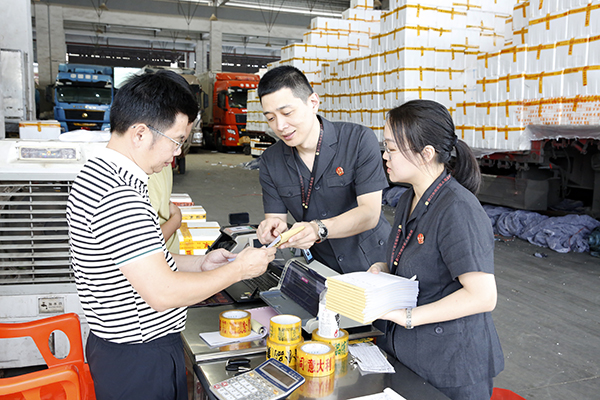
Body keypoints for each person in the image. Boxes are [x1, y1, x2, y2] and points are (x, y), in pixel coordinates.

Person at [66, 70, 276, 400]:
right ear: (140, 134)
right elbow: (162, 292)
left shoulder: (99, 174)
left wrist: (201, 263)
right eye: (176, 140)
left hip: (122, 353)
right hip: (140, 360)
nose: (177, 153)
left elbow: (141, 261)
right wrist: (239, 269)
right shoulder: (119, 196)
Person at [369, 99, 504, 400]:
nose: (385, 156)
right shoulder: (410, 198)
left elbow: (483, 296)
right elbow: (419, 262)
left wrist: (409, 316)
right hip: (410, 354)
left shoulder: (458, 209)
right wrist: (384, 268)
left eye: (391, 148)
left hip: (451, 366)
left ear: (426, 154)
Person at [256, 65, 391, 274]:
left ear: (313, 103)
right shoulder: (270, 161)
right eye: (271, 118)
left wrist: (318, 229)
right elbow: (276, 220)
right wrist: (273, 228)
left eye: (287, 113)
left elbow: (370, 213)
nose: (280, 126)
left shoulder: (358, 140)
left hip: (375, 264)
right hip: (322, 268)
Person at [148, 162, 181, 254]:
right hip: (157, 257)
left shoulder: (162, 164)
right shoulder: (148, 174)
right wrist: (176, 219)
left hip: (165, 255)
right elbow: (145, 245)